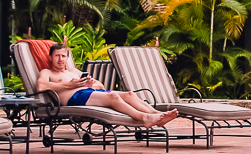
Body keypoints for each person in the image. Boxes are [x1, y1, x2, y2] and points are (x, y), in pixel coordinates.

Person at [37, 44, 178, 129]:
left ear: (67, 58)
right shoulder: (47, 72)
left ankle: (157, 115)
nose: (60, 59)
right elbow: (41, 86)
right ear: (51, 57)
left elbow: (101, 85)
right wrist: (69, 85)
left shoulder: (74, 71)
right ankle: (144, 118)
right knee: (113, 96)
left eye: (63, 56)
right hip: (73, 98)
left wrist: (91, 84)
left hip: (87, 93)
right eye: (57, 56)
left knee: (129, 94)